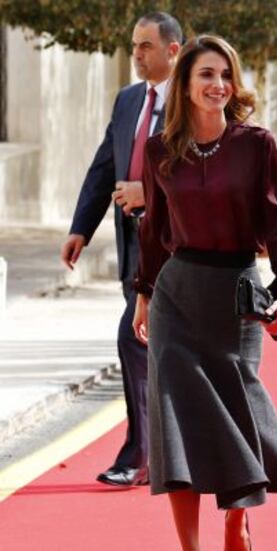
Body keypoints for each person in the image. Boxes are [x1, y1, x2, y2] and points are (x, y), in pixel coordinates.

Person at [132, 35, 277, 551]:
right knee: (175, 435)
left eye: (226, 75)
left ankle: (237, 520)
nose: (218, 86)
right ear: (184, 83)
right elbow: (154, 233)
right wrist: (142, 296)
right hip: (176, 300)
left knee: (239, 418)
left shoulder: (255, 145)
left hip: (236, 299)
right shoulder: (160, 150)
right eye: (206, 74)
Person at [61, 12, 182, 487]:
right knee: (153, 348)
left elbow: (202, 174)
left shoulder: (192, 102)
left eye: (146, 46)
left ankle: (141, 454)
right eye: (134, 45)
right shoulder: (129, 99)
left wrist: (148, 192)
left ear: (173, 50)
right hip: (135, 245)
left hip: (177, 246)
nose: (136, 54)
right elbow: (104, 164)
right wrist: (80, 229)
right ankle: (172, 453)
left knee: (135, 340)